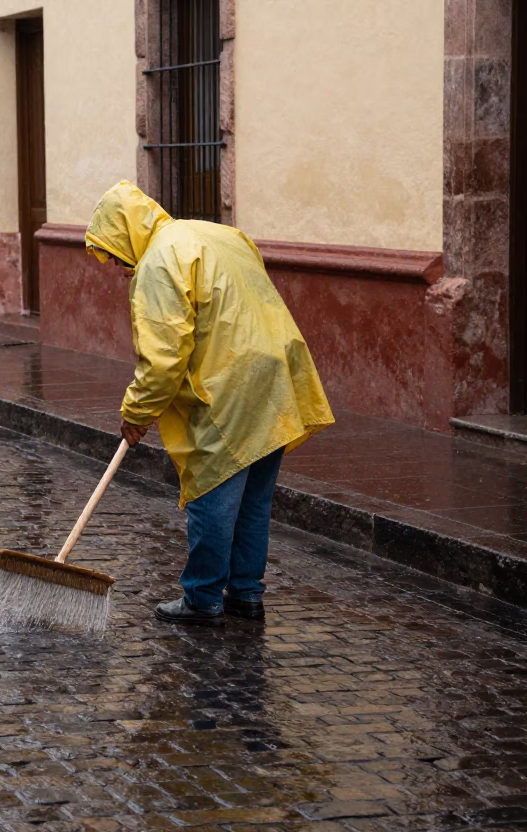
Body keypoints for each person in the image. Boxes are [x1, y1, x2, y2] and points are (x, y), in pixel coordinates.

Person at [85, 181, 334, 627]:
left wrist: (137, 412)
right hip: (276, 375)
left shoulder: (159, 262)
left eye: (116, 254)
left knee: (212, 493)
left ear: (126, 234)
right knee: (254, 500)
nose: (119, 267)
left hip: (228, 384)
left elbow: (164, 358)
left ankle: (202, 597)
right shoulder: (218, 233)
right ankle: (246, 595)